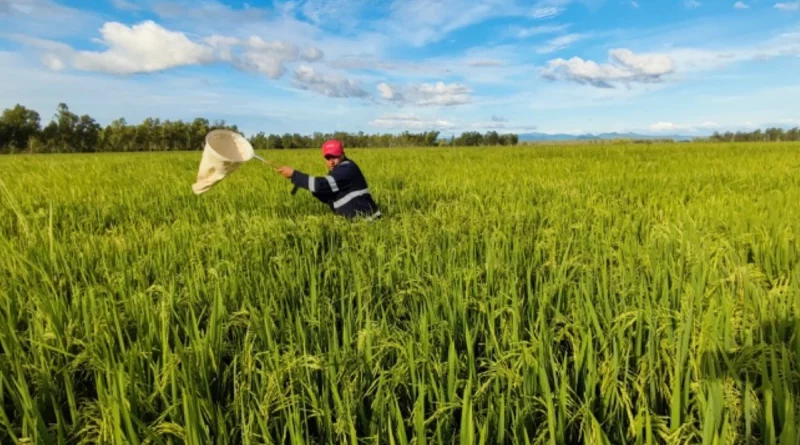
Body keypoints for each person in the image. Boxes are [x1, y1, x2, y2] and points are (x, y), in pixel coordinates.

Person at [276, 139, 382, 220]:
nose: (331, 162)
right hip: (354, 222)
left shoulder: (347, 168)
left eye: (334, 157)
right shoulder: (336, 173)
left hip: (368, 221)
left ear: (342, 155)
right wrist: (313, 188)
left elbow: (320, 185)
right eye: (328, 158)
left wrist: (294, 175)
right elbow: (325, 195)